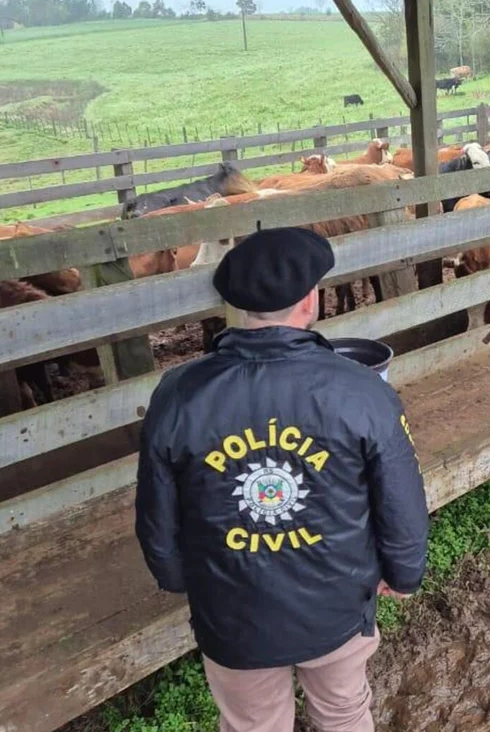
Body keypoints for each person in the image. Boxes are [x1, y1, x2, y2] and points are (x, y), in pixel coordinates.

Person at [135, 227, 429, 732]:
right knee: (343, 713)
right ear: (310, 299)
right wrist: (404, 573)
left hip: (231, 612)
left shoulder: (179, 393)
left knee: (252, 726)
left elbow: (155, 513)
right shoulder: (361, 390)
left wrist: (179, 578)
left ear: (239, 305)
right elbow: (402, 499)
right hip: (336, 606)